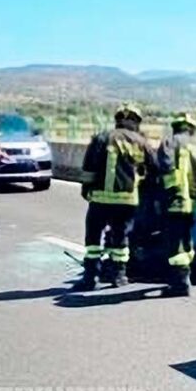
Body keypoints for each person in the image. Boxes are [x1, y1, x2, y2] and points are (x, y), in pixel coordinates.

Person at [74, 104, 157, 291]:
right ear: (136, 122)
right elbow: (154, 170)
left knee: (94, 238)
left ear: (117, 120)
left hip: (100, 199)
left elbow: (89, 167)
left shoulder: (102, 137)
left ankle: (89, 278)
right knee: (121, 238)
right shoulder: (142, 142)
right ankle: (119, 276)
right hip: (127, 200)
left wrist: (86, 189)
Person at [157, 113, 196, 297]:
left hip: (175, 202)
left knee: (174, 242)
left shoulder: (170, 143)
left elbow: (164, 169)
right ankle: (184, 278)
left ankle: (179, 283)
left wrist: (169, 193)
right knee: (186, 239)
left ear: (176, 126)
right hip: (195, 203)